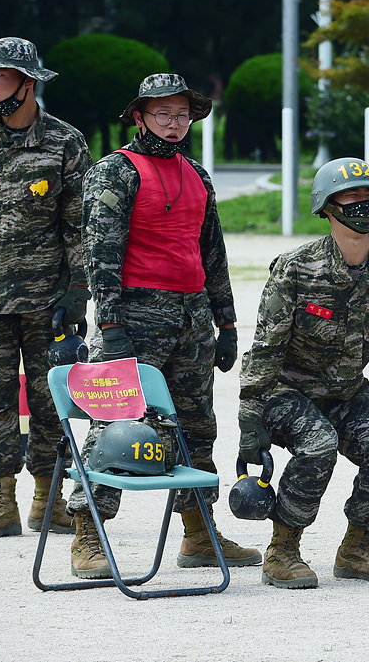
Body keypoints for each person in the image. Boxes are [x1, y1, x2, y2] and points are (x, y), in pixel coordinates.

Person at [66, 74, 258, 578]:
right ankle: (87, 534)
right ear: (139, 116)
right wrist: (108, 324)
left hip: (193, 318)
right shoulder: (115, 172)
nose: (174, 125)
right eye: (163, 114)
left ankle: (198, 534)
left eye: (182, 115)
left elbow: (212, 251)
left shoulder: (197, 173)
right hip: (133, 315)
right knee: (116, 428)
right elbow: (99, 254)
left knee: (197, 428)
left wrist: (227, 320)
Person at [238, 158, 369, 589]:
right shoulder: (296, 268)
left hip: (346, 393)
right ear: (327, 206)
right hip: (287, 392)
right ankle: (282, 551)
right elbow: (265, 349)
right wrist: (249, 420)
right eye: (351, 195)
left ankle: (357, 547)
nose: (362, 203)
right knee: (318, 444)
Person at [0, 37, 92, 539]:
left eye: (0, 76)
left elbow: (79, 226)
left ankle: (45, 501)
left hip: (46, 299)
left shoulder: (65, 143)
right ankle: (0, 502)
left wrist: (77, 294)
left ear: (27, 83)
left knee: (49, 400)